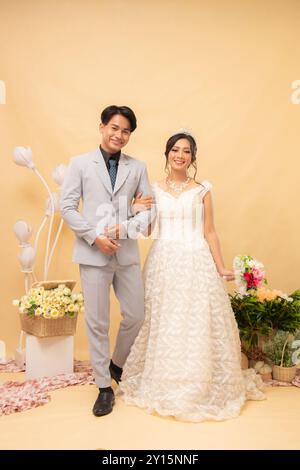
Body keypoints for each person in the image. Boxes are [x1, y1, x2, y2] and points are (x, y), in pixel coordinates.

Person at [119, 131, 265, 422]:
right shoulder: (154, 190)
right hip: (164, 260)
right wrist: (134, 210)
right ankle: (166, 381)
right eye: (175, 149)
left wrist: (221, 266)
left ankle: (200, 384)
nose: (180, 155)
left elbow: (210, 231)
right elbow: (147, 230)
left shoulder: (202, 190)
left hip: (196, 259)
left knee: (196, 321)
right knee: (165, 320)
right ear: (167, 154)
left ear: (193, 158)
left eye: (186, 151)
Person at [60, 105, 156, 417]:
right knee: (98, 322)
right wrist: (94, 237)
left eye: (126, 131)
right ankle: (103, 386)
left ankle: (116, 365)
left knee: (136, 315)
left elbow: (150, 211)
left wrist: (131, 219)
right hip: (93, 253)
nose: (119, 135)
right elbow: (68, 206)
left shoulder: (137, 167)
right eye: (114, 128)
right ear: (102, 127)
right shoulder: (80, 164)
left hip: (126, 253)